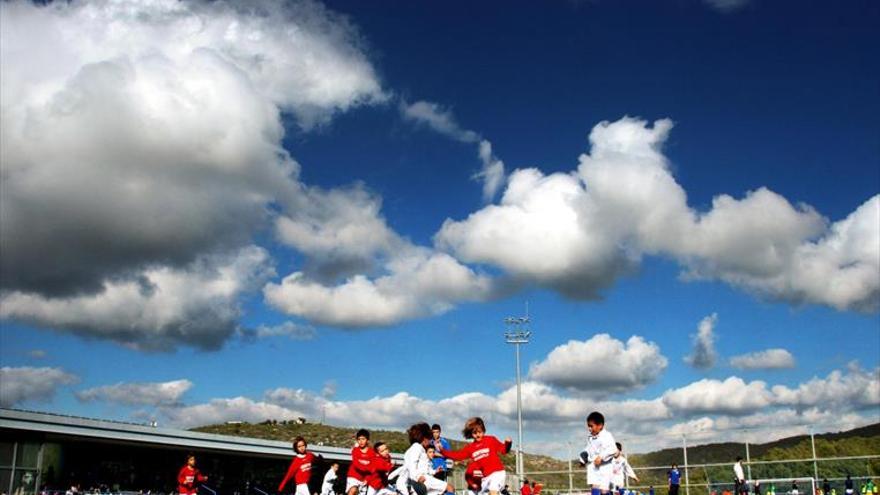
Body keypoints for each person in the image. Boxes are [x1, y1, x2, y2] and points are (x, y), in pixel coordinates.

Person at [436, 417, 511, 495]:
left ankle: (501, 489)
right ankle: (503, 491)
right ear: (471, 434)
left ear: (483, 430)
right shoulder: (470, 448)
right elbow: (457, 456)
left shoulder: (491, 440)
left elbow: (504, 450)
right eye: (475, 433)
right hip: (485, 478)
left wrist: (508, 444)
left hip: (497, 472)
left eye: (480, 432)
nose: (478, 435)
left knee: (493, 490)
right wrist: (442, 451)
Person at [404, 422, 454, 495]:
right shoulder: (417, 447)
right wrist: (417, 477)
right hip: (423, 479)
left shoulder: (419, 448)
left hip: (425, 478)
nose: (430, 441)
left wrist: (435, 471)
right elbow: (412, 465)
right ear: (424, 438)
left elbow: (424, 467)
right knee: (450, 488)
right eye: (429, 438)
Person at [579, 412, 617, 495]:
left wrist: (601, 457)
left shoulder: (607, 436)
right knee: (595, 487)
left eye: (591, 426)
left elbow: (613, 449)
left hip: (605, 467)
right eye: (588, 426)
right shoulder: (590, 437)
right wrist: (583, 458)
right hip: (593, 467)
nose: (589, 428)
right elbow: (588, 449)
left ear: (600, 425)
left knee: (604, 491)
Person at [347, 429, 375, 495]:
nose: (361, 441)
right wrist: (368, 467)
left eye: (363, 439)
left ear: (367, 440)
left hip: (364, 479)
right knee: (353, 490)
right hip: (353, 477)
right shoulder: (355, 450)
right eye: (359, 439)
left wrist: (367, 479)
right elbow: (356, 464)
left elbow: (373, 469)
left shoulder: (372, 453)